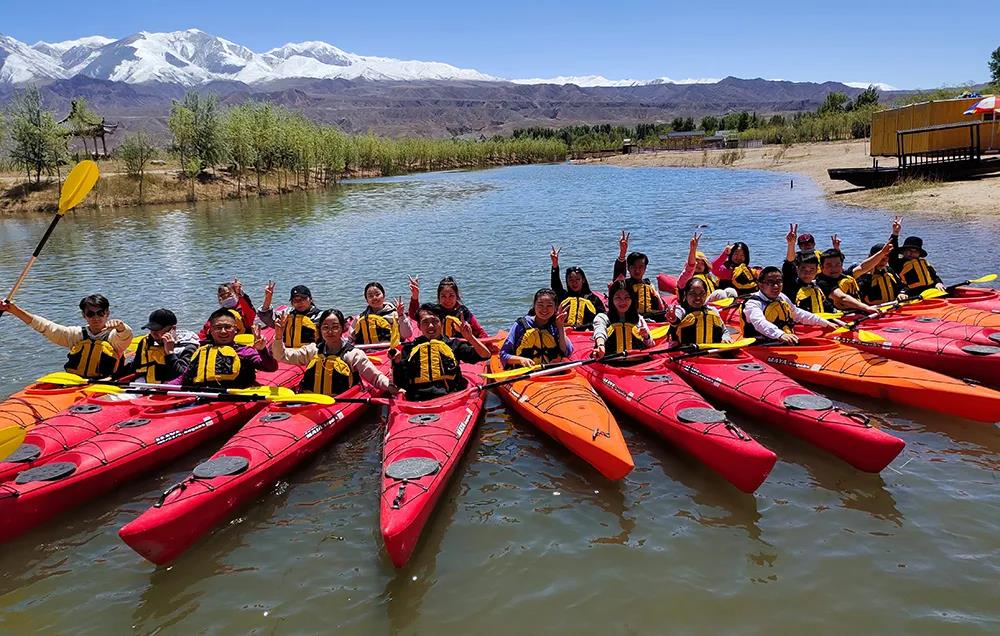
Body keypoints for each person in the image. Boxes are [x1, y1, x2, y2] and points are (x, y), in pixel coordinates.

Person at [273, 308, 401, 396]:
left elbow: (375, 378)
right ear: (320, 330)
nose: (330, 332)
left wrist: (392, 388)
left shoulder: (353, 355)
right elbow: (281, 355)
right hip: (311, 400)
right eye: (325, 327)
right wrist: (278, 337)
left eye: (335, 327)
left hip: (341, 401)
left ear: (342, 329)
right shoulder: (312, 351)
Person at [0, 294, 132, 379]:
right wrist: (14, 310)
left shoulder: (114, 336)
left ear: (107, 313)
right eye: (90, 314)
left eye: (100, 313)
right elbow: (45, 326)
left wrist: (121, 327)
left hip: (107, 383)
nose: (96, 318)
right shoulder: (76, 335)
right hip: (76, 383)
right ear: (84, 316)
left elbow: (125, 337)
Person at [390, 303, 492, 402]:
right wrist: (397, 363)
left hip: (451, 398)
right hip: (418, 401)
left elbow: (485, 355)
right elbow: (400, 383)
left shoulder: (453, 345)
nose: (430, 325)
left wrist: (470, 338)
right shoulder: (409, 349)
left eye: (435, 321)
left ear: (442, 323)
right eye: (425, 322)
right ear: (419, 326)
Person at [175, 309, 277, 389]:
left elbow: (271, 368)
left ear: (235, 330)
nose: (223, 331)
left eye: (228, 327)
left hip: (233, 399)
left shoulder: (244, 351)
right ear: (210, 331)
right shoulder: (202, 351)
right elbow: (184, 377)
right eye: (218, 327)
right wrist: (164, 387)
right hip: (203, 396)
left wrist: (262, 350)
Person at [739, 267, 838, 344]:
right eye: (771, 283)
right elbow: (759, 322)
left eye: (779, 282)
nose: (776, 286)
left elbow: (797, 313)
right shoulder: (752, 304)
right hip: (761, 345)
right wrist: (780, 334)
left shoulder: (781, 297)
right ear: (760, 285)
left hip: (783, 340)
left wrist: (824, 323)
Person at [500, 288, 573, 367]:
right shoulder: (521, 325)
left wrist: (560, 327)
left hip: (550, 372)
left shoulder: (555, 326)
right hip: (525, 372)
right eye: (540, 305)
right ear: (534, 305)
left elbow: (566, 352)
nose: (544, 309)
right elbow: (504, 354)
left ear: (555, 308)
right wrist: (521, 360)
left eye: (549, 305)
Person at [124, 308, 199, 383]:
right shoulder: (146, 342)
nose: (154, 334)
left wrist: (170, 353)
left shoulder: (189, 346)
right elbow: (134, 367)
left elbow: (182, 376)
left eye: (157, 329)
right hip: (145, 386)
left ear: (173, 329)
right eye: (151, 329)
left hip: (172, 390)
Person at [407, 275, 489, 339]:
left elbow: (479, 331)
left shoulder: (463, 312)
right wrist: (415, 296)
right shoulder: (434, 311)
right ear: (439, 297)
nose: (447, 300)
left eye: (451, 296)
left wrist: (488, 344)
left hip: (460, 347)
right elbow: (414, 315)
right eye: (443, 296)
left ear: (457, 296)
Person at [591, 279, 655, 357]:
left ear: (632, 300)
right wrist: (600, 345)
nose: (622, 302)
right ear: (612, 300)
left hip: (637, 363)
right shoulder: (602, 318)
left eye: (627, 297)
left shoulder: (638, 319)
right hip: (610, 362)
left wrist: (646, 336)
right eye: (618, 298)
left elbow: (651, 345)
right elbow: (599, 332)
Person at [549, 245, 606, 329]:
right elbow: (555, 285)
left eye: (577, 279)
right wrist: (555, 265)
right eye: (571, 280)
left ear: (583, 280)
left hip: (586, 333)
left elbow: (601, 320)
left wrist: (577, 328)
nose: (574, 283)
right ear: (567, 282)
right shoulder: (564, 296)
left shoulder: (593, 299)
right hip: (565, 332)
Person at [665, 277, 731, 346]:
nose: (698, 297)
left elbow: (724, 331)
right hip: (688, 352)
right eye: (693, 294)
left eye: (702, 293)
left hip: (711, 351)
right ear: (685, 295)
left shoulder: (713, 311)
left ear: (706, 295)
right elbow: (676, 320)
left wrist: (726, 337)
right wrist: (673, 319)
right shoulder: (681, 310)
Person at [612, 230, 664, 318]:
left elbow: (660, 307)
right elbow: (618, 274)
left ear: (645, 268)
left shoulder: (649, 285)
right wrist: (622, 253)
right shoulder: (624, 285)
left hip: (651, 318)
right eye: (634, 267)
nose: (637, 270)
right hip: (632, 319)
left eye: (640, 267)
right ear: (628, 268)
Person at [676, 230, 735, 304]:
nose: (698, 265)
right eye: (696, 262)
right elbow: (690, 267)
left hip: (709, 304)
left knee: (730, 291)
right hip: (694, 305)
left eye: (702, 263)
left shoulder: (708, 277)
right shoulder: (685, 279)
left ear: (705, 266)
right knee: (720, 293)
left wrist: (725, 254)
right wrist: (693, 249)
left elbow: (714, 265)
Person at [814, 249, 879, 314]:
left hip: (857, 312)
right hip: (838, 316)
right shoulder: (821, 281)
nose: (834, 268)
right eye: (829, 265)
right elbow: (841, 297)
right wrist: (866, 308)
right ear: (821, 267)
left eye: (837, 264)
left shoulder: (844, 275)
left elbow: (863, 267)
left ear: (842, 265)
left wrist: (883, 252)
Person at [259, 283, 322, 348]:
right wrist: (268, 298)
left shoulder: (320, 316)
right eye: (295, 300)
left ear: (310, 299)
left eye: (302, 299)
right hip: (288, 354)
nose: (299, 303)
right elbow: (265, 316)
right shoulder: (286, 314)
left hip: (310, 355)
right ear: (291, 303)